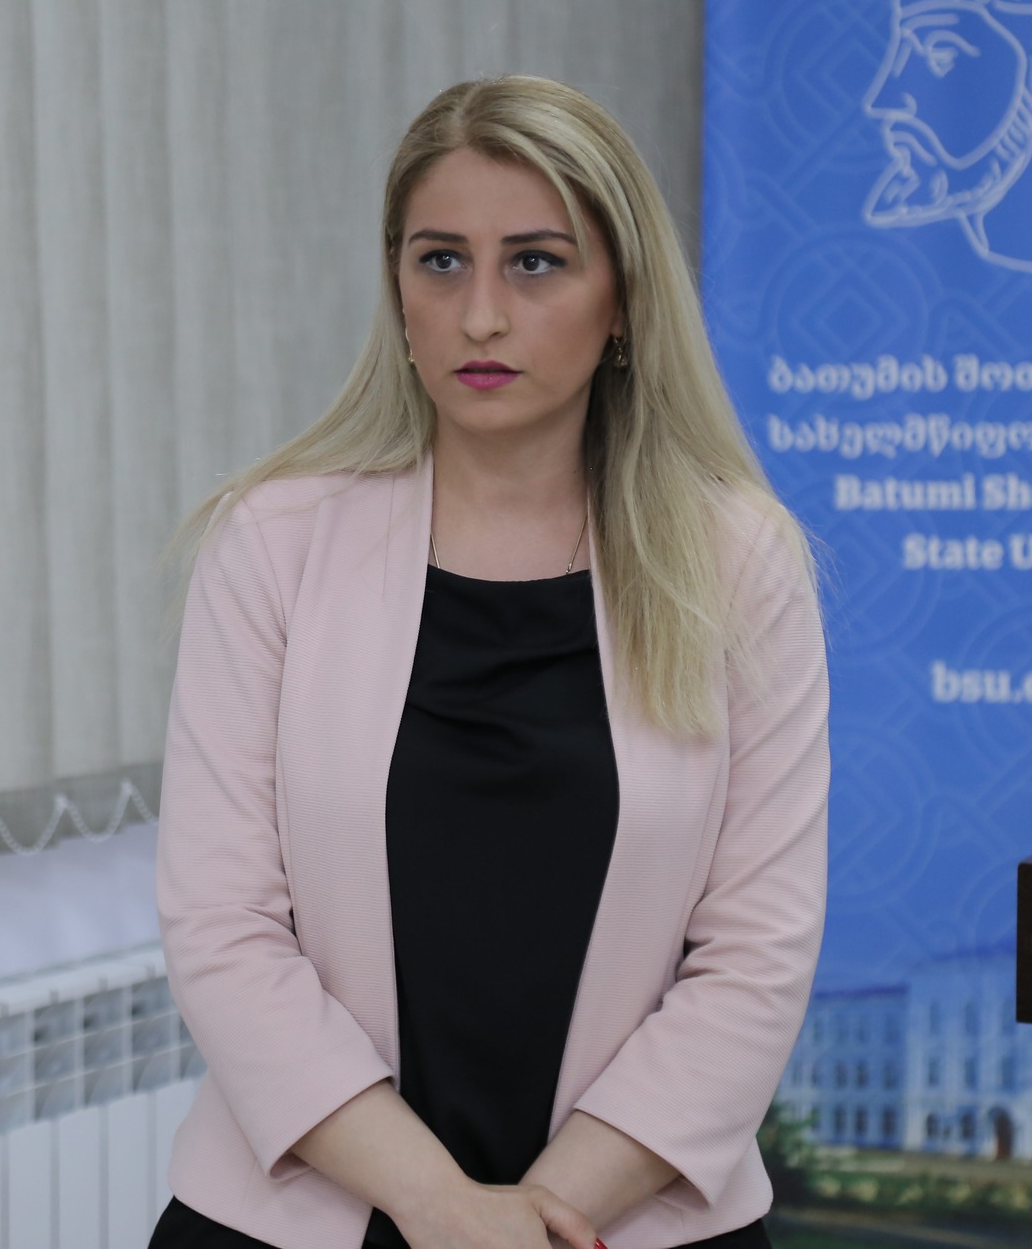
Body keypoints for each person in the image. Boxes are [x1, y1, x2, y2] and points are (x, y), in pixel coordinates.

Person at [149, 76, 828, 1249]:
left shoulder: (737, 562)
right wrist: (440, 1209)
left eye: (534, 264)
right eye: (439, 262)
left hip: (623, 1221)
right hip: (303, 1218)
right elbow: (222, 926)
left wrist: (543, 1222)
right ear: (396, 290)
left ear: (623, 301)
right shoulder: (272, 543)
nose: (477, 317)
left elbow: (753, 953)